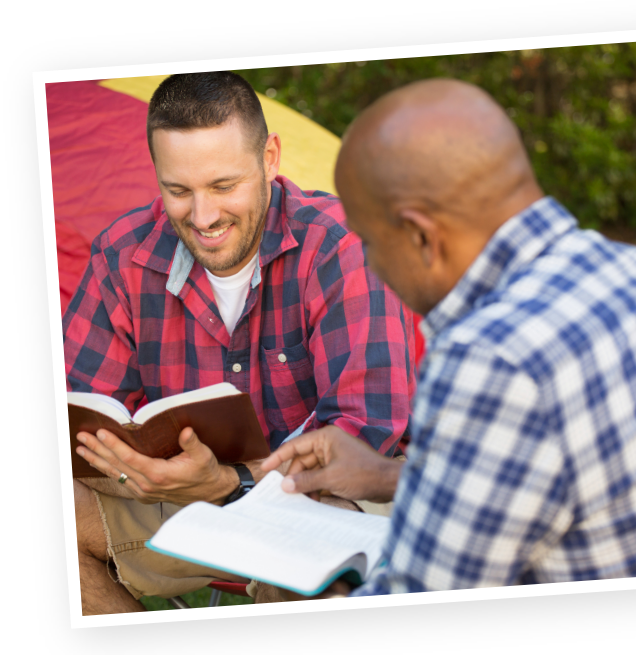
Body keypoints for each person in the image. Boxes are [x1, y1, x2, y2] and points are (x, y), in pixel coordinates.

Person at [262, 78, 636, 595]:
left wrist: (318, 588)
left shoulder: (489, 360)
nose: (369, 263)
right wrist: (385, 475)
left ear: (420, 236)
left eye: (369, 241)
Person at [65, 72, 416, 614]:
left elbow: (363, 436)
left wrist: (231, 482)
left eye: (224, 186)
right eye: (178, 191)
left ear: (270, 158)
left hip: (323, 498)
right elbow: (83, 420)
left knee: (311, 557)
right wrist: (133, 470)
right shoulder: (121, 254)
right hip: (172, 498)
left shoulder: (343, 246)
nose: (202, 217)